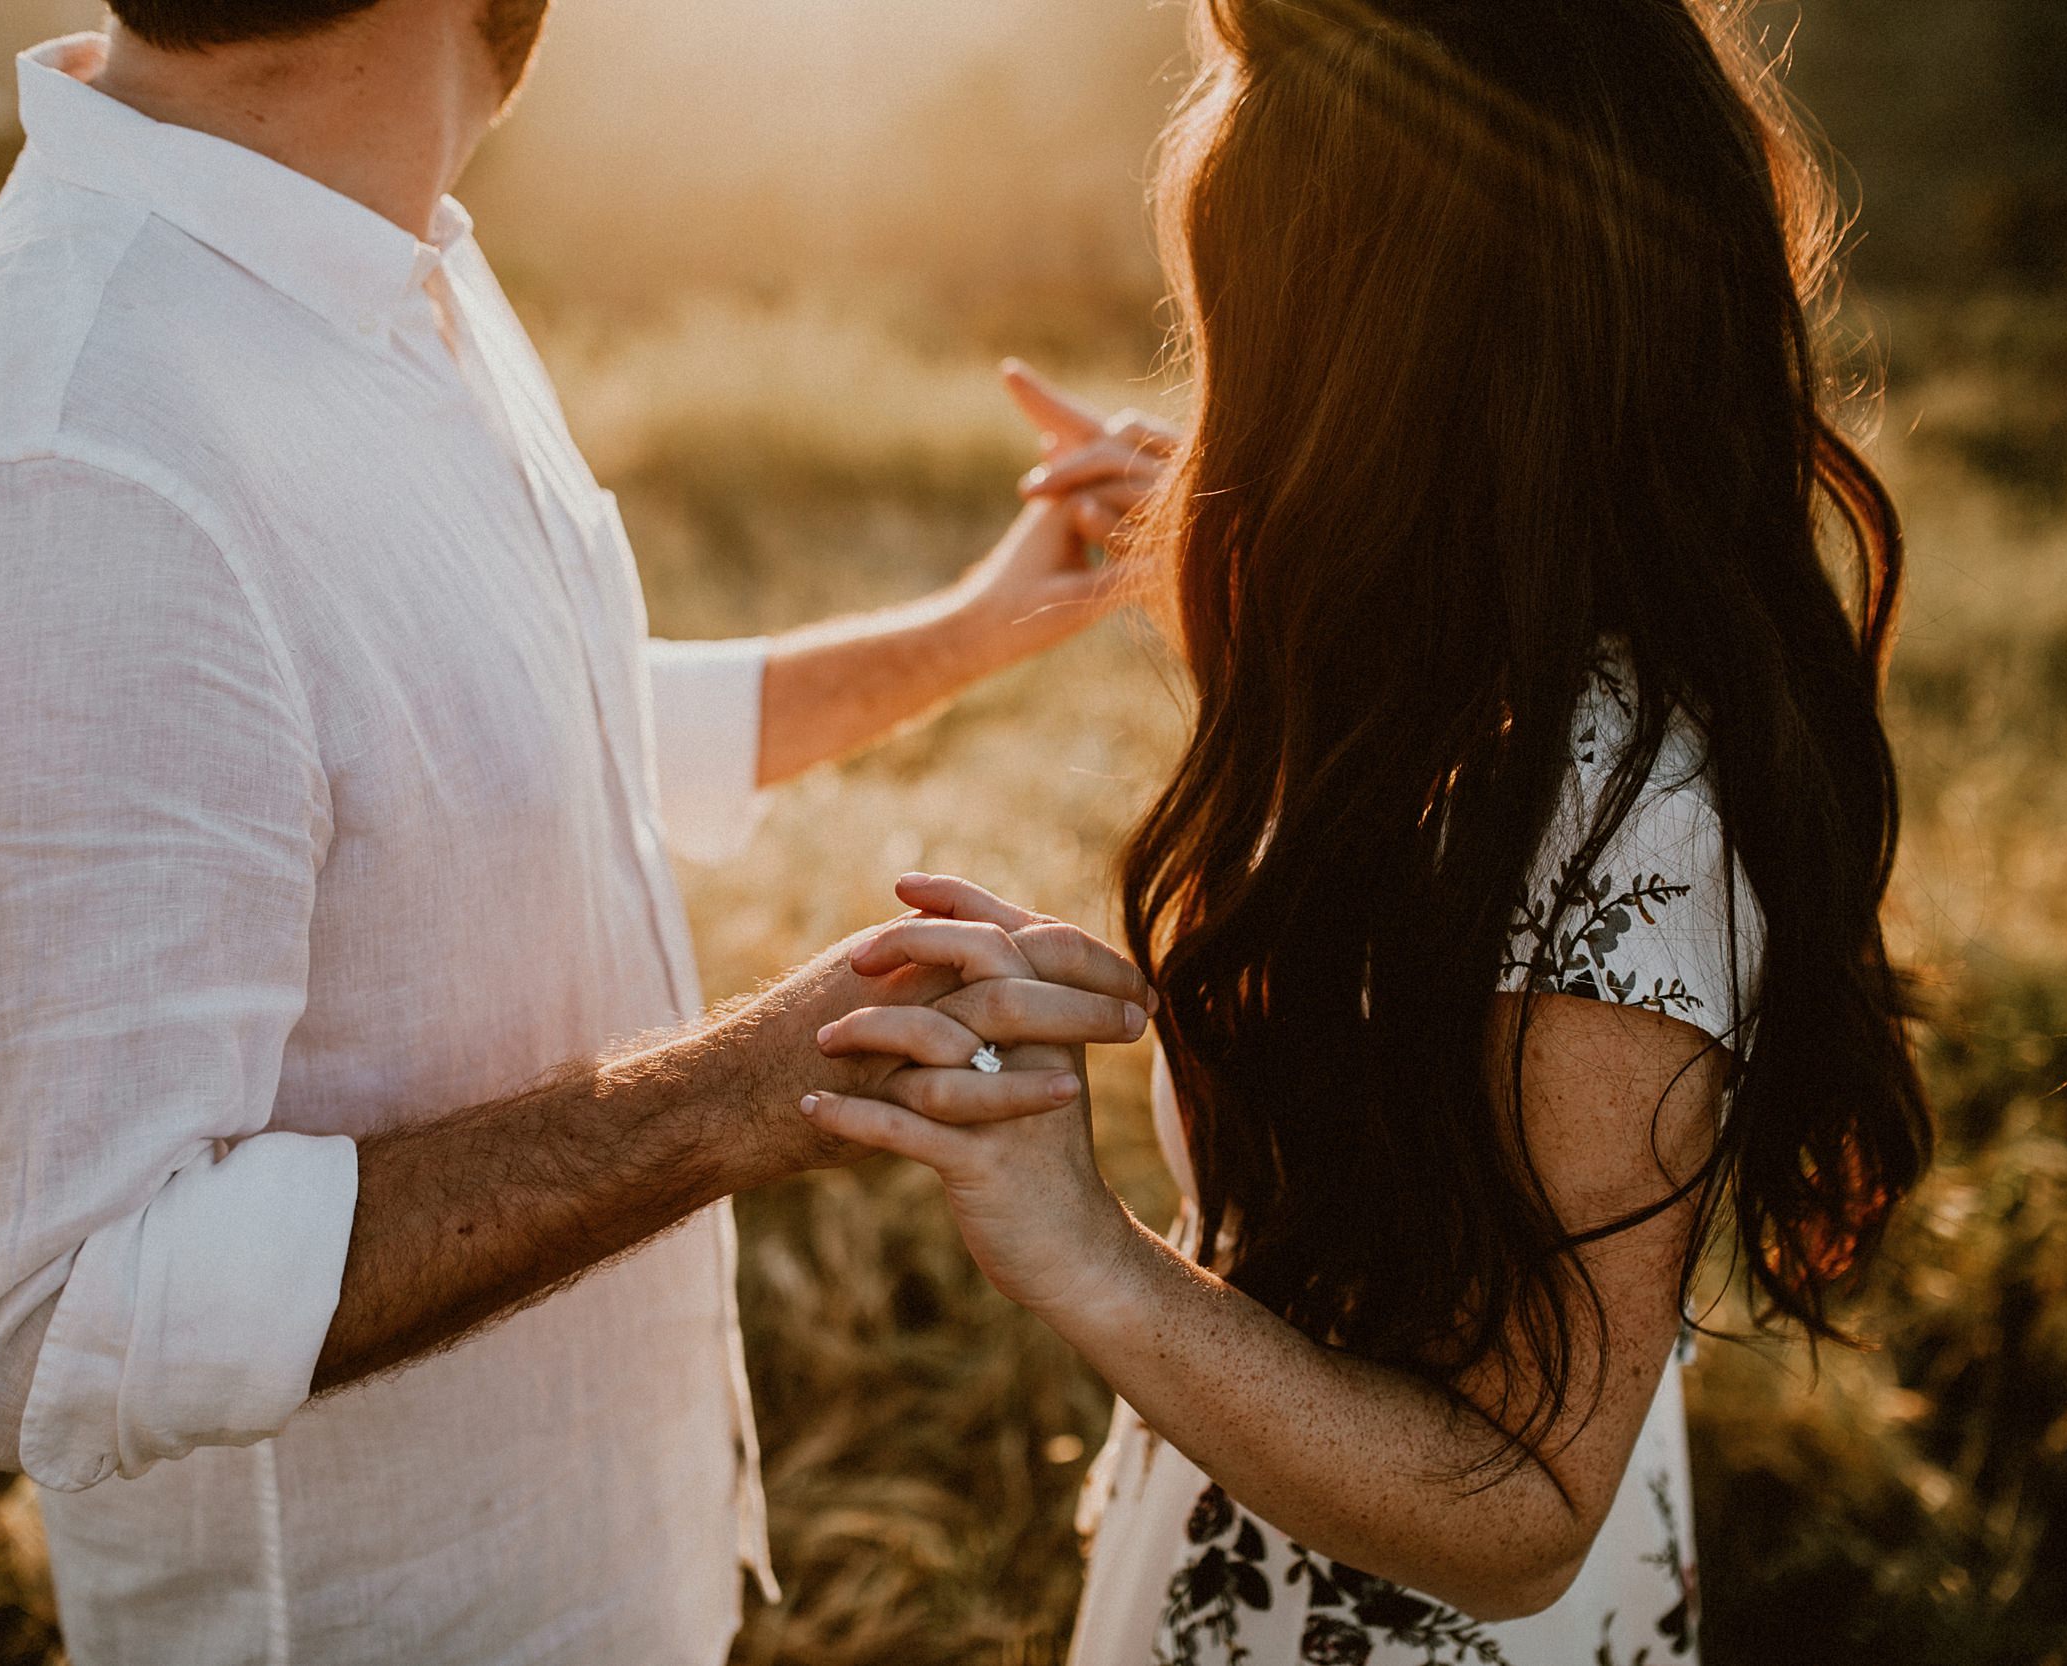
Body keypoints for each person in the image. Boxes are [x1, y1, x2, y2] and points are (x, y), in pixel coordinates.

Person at [0, 1, 1158, 1660]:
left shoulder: (374, 259)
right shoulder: (59, 453)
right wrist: (736, 1095)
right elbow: (61, 1312)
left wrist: (971, 628)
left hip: (611, 1570)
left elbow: (516, 734)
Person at [802, 2, 1934, 1661]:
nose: (1236, 399)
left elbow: (1525, 1506)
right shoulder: (1455, 681)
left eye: (1259, 335)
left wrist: (1088, 1252)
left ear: (1397, 360)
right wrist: (1206, 536)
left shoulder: (1632, 821)